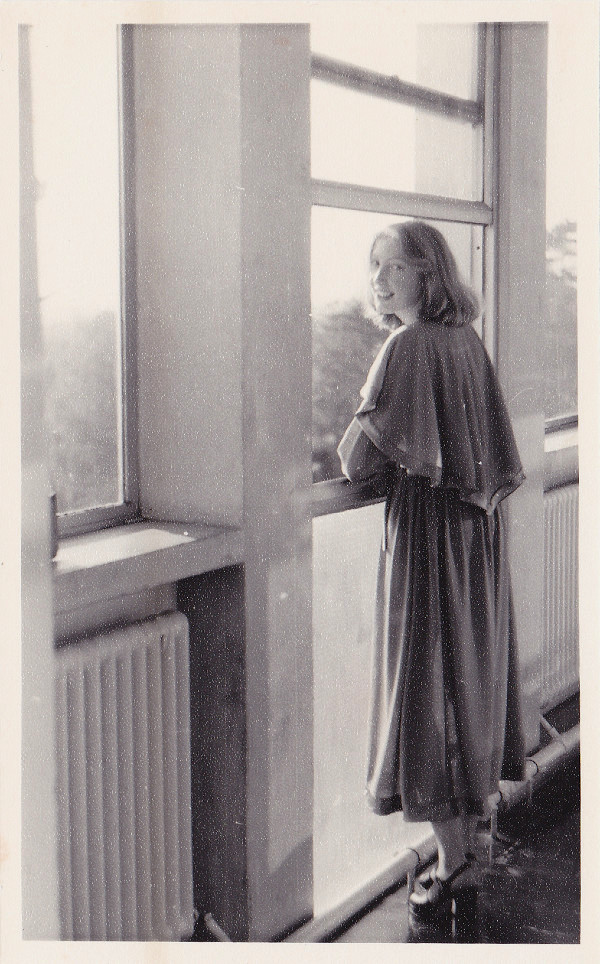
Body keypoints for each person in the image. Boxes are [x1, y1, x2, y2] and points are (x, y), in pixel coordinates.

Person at [337, 220, 526, 926]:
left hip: (426, 538)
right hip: (473, 538)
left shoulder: (407, 346)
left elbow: (355, 460)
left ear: (428, 273)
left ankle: (453, 865)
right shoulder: (466, 342)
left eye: (394, 266)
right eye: (375, 266)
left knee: (427, 687)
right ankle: (470, 845)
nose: (380, 279)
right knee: (467, 678)